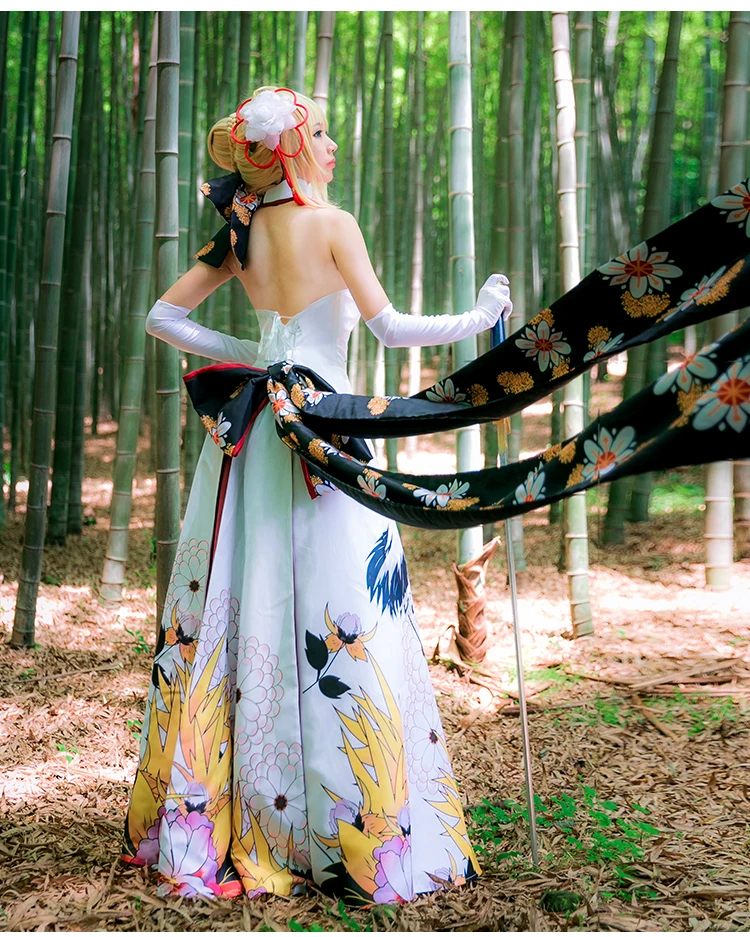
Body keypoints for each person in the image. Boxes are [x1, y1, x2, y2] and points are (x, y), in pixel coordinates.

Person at [120, 86, 512, 903]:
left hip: (257, 434)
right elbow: (390, 328)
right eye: (322, 132)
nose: (333, 144)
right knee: (347, 613)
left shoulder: (240, 231)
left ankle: (234, 815)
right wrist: (481, 316)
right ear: (294, 147)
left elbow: (163, 316)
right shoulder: (332, 224)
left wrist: (261, 355)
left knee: (247, 598)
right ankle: (356, 831)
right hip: (325, 428)